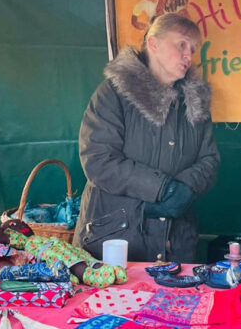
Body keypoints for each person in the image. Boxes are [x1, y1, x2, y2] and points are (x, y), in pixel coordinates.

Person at [73, 13, 220, 263]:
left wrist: (186, 188)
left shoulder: (196, 102)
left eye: (193, 49)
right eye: (181, 45)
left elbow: (210, 160)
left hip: (176, 240)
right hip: (114, 237)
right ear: (153, 43)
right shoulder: (113, 93)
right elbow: (98, 159)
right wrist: (163, 187)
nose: (189, 55)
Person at [0, 219, 127, 288]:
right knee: (67, 260)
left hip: (61, 246)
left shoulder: (40, 237)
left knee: (79, 254)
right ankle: (87, 275)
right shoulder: (27, 242)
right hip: (49, 251)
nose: (21, 225)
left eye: (22, 222)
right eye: (13, 225)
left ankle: (101, 267)